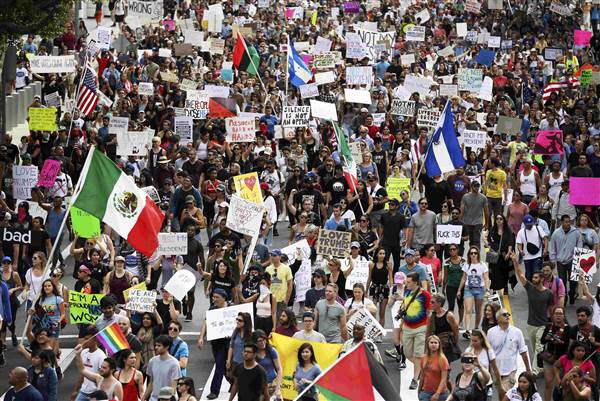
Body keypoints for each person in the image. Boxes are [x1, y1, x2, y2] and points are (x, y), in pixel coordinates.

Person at [400, 272, 431, 389]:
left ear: (415, 282)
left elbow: (429, 311)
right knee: (407, 353)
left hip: (421, 328)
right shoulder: (407, 291)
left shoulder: (425, 295)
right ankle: (424, 368)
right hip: (407, 327)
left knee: (418, 354)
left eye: (408, 282)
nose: (406, 284)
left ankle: (415, 379)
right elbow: (404, 307)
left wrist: (429, 327)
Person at [487, 309, 531, 391]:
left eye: (508, 314)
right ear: (498, 318)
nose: (507, 316)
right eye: (504, 314)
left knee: (505, 391)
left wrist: (528, 369)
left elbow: (523, 352)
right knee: (501, 394)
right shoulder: (491, 332)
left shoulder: (517, 332)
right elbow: (488, 352)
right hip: (495, 371)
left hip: (510, 370)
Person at [197, 289, 229, 400]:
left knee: (224, 365)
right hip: (217, 342)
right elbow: (206, 323)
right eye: (213, 297)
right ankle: (232, 383)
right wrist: (201, 337)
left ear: (224, 298)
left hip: (230, 343)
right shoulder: (212, 309)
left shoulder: (232, 308)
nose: (214, 299)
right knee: (221, 366)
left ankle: (214, 391)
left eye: (217, 297)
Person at [549, 214, 583, 305]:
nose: (568, 223)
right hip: (560, 262)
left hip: (572, 260)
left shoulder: (576, 232)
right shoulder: (556, 233)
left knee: (573, 281)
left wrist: (579, 260)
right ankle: (564, 297)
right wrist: (553, 263)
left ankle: (572, 294)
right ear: (561, 222)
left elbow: (579, 246)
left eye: (569, 222)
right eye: (566, 222)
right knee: (562, 281)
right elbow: (552, 248)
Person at [457, 246, 490, 339]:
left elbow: (486, 278)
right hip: (469, 289)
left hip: (480, 289)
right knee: (468, 310)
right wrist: (459, 290)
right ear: (469, 255)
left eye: (475, 253)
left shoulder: (482, 265)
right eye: (471, 253)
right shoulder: (467, 265)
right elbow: (463, 278)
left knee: (479, 311)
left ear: (478, 254)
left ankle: (475, 328)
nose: (473, 255)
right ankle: (467, 330)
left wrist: (487, 290)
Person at [540, 306, 570, 401]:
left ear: (563, 316)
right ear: (552, 315)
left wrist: (560, 342)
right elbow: (542, 341)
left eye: (560, 314)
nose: (558, 316)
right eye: (556, 313)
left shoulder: (567, 329)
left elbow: (568, 345)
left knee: (559, 385)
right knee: (548, 383)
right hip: (549, 358)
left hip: (561, 361)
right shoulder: (549, 326)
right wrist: (547, 338)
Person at [464, 329, 504, 400]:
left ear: (481, 340)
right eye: (472, 340)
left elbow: (495, 369)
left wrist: (500, 385)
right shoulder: (468, 350)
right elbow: (464, 367)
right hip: (470, 384)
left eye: (475, 341)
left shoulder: (488, 352)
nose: (473, 343)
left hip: (486, 383)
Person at [143, 335, 181, 401]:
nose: (156, 347)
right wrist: (143, 398)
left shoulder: (174, 363)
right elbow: (151, 383)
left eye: (159, 345)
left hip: (167, 399)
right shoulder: (152, 361)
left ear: (167, 347)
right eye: (155, 345)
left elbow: (173, 386)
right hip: (153, 398)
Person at [426, 293, 460, 363]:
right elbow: (428, 332)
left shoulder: (449, 315)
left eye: (433, 302)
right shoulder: (431, 316)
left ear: (439, 303)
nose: (430, 304)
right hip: (435, 344)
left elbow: (456, 331)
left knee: (445, 366)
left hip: (447, 345)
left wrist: (454, 344)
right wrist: (426, 347)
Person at [516, 214, 548, 281]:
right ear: (524, 224)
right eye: (528, 225)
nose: (530, 226)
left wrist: (545, 249)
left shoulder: (538, 228)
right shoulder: (521, 232)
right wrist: (520, 250)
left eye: (531, 224)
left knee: (536, 272)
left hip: (537, 255)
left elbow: (545, 239)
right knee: (528, 274)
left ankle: (537, 288)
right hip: (527, 257)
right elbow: (519, 244)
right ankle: (530, 288)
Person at [367, 248, 393, 328]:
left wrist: (391, 292)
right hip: (374, 288)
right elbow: (369, 278)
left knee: (382, 313)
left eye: (383, 253)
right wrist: (365, 290)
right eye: (380, 253)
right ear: (377, 254)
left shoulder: (388, 264)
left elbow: (390, 278)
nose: (382, 255)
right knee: (372, 312)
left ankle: (379, 334)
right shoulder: (372, 264)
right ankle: (372, 331)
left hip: (384, 289)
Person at [417, 335, 449, 401]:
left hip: (440, 394)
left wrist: (437, 394)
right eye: (431, 342)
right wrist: (419, 390)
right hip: (426, 392)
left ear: (439, 345)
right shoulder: (424, 358)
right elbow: (422, 376)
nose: (433, 345)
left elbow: (444, 379)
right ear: (427, 344)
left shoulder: (442, 359)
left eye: (435, 343)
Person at [253, 329, 283, 398]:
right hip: (258, 387)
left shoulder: (271, 351)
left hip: (272, 384)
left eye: (264, 340)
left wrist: (277, 389)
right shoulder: (252, 353)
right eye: (259, 341)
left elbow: (279, 369)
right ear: (254, 342)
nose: (263, 342)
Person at [460, 181, 489, 250]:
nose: (476, 188)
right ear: (471, 187)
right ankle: (473, 254)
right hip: (467, 222)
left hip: (478, 222)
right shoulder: (465, 197)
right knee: (471, 241)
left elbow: (486, 211)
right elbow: (462, 210)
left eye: (478, 186)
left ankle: (477, 255)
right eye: (475, 186)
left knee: (476, 240)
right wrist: (460, 221)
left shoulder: (483, 198)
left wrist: (487, 223)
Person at [265, 249, 293, 317]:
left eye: (274, 255)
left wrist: (287, 299)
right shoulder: (268, 269)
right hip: (270, 299)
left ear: (280, 257)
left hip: (281, 300)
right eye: (271, 255)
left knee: (280, 320)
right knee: (270, 319)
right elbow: (265, 284)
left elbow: (290, 284)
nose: (272, 257)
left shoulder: (286, 268)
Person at [227, 312, 253, 377]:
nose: (237, 322)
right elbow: (231, 346)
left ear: (246, 323)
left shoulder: (251, 335)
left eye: (240, 320)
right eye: (237, 319)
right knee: (234, 383)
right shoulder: (236, 331)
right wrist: (229, 360)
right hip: (235, 363)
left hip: (246, 364)